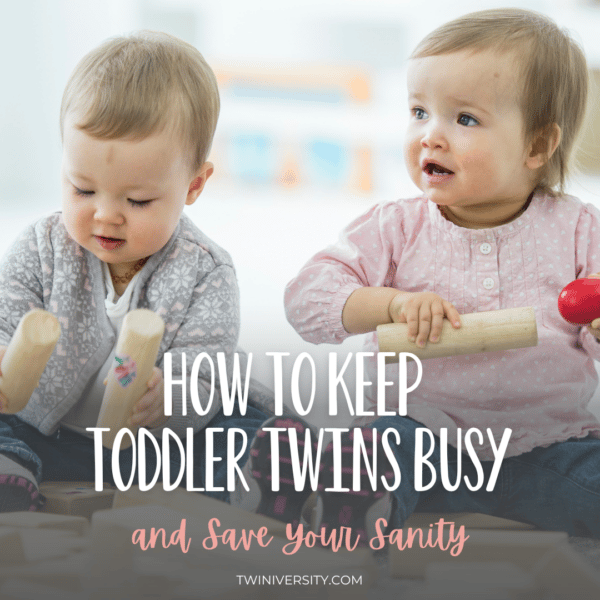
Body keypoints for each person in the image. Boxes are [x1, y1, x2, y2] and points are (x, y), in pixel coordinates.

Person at [283, 8, 600, 540]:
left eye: (465, 119)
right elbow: (306, 302)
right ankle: (345, 505)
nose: (430, 136)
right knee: (382, 447)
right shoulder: (395, 227)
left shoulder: (578, 230)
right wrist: (390, 304)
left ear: (537, 147)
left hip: (543, 449)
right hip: (420, 442)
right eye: (419, 111)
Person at [0, 31, 273, 511]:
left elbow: (206, 369)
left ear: (194, 185)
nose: (106, 215)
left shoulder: (205, 271)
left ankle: (254, 484)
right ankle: (12, 470)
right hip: (46, 432)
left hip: (153, 447)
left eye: (137, 200)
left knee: (240, 424)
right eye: (82, 190)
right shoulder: (40, 248)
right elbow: (6, 322)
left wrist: (172, 396)